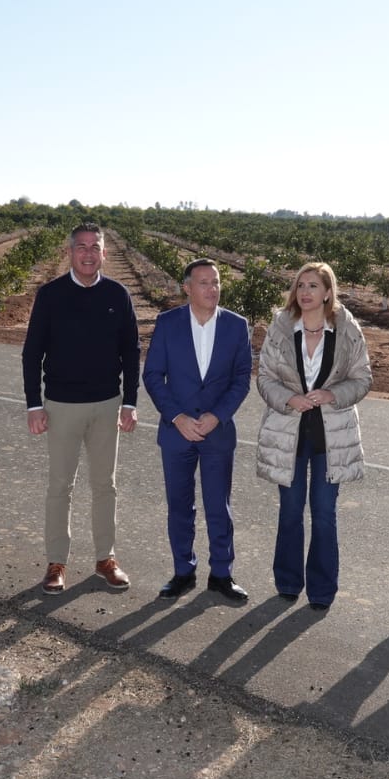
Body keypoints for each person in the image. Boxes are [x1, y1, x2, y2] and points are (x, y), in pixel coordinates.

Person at [21, 223, 140, 595]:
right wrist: (34, 405)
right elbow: (32, 353)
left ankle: (106, 558)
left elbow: (131, 352)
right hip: (61, 407)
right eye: (82, 247)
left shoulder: (118, 294)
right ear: (70, 253)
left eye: (95, 247)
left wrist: (130, 402)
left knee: (106, 485)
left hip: (107, 405)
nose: (88, 253)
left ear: (105, 253)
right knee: (60, 486)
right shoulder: (51, 295)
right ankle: (56, 562)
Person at [254, 262, 372, 612]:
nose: (305, 292)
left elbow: (362, 378)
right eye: (300, 285)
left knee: (323, 512)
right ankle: (288, 582)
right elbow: (265, 377)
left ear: (327, 292)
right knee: (290, 511)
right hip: (289, 433)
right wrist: (289, 398)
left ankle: (321, 590)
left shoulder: (347, 329)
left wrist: (333, 394)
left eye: (313, 286)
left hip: (330, 437)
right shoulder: (280, 327)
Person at [142, 258, 253, 602]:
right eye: (204, 283)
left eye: (216, 282)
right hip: (177, 433)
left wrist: (216, 416)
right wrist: (177, 417)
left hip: (217, 432)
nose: (212, 289)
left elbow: (241, 379)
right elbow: (152, 376)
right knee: (180, 505)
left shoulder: (236, 326)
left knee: (219, 506)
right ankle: (183, 571)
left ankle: (222, 574)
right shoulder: (168, 323)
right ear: (187, 288)